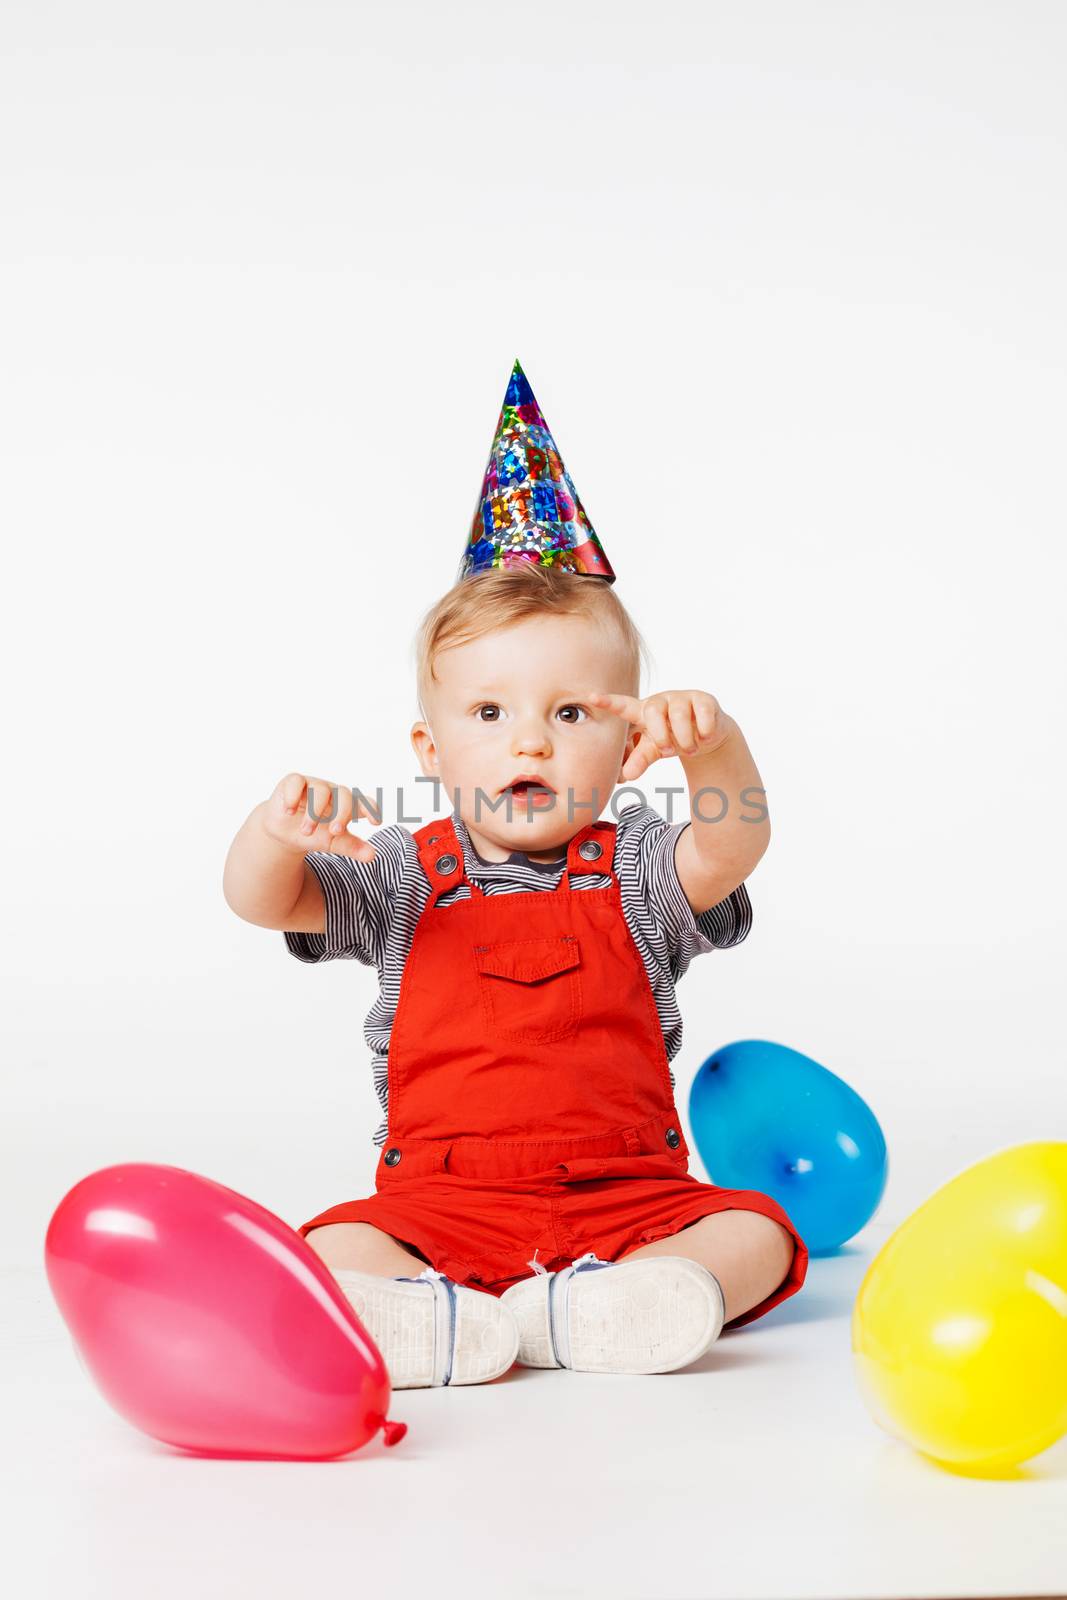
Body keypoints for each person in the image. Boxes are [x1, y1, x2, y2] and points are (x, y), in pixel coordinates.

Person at [223, 364, 808, 1388]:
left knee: (752, 1231)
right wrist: (275, 832)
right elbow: (262, 899)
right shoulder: (398, 871)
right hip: (438, 1202)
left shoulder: (636, 866)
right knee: (334, 1243)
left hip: (628, 1195)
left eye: (571, 712)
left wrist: (715, 748)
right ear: (431, 746)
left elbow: (733, 845)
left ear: (627, 736)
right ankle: (423, 1315)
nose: (528, 738)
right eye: (488, 714)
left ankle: (615, 1306)